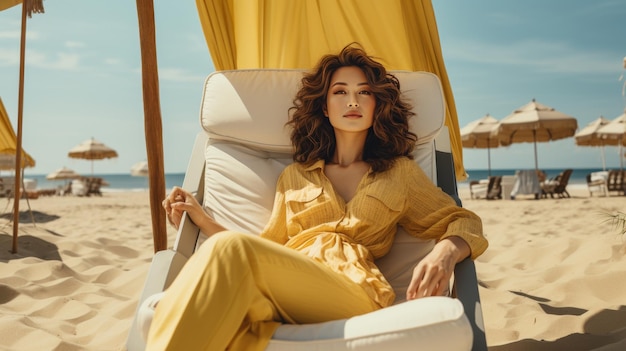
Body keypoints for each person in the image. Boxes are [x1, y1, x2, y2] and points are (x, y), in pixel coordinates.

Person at [146, 44, 488, 350]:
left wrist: (444, 252)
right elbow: (266, 249)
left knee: (227, 262)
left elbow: (464, 220)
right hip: (289, 286)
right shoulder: (295, 176)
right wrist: (202, 221)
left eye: (364, 93)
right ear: (325, 107)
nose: (352, 101)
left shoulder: (399, 173)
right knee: (230, 293)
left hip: (354, 289)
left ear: (376, 106)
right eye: (340, 91)